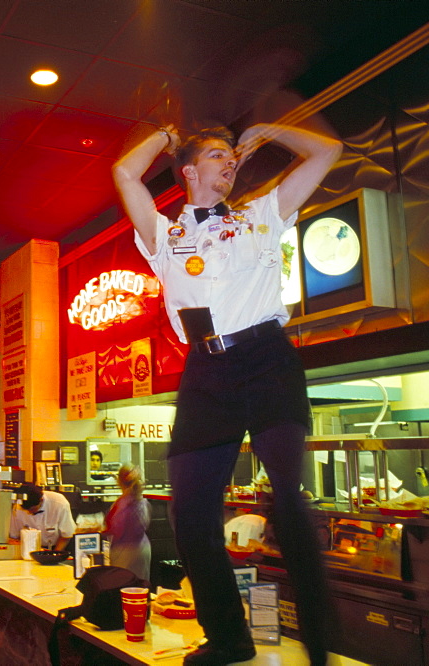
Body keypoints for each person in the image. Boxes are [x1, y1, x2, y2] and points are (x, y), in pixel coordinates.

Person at [112, 120, 341, 666]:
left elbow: (328, 150)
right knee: (189, 515)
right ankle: (229, 638)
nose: (230, 162)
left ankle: (320, 643)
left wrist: (270, 131)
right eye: (217, 155)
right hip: (205, 373)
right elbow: (123, 171)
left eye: (232, 157)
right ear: (190, 171)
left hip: (267, 361)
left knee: (286, 496)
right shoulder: (163, 235)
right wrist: (167, 137)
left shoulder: (263, 213)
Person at [104, 465, 151, 581]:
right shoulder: (142, 501)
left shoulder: (122, 503)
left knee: (124, 588)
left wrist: (100, 531)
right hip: (142, 549)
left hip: (125, 552)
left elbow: (118, 530)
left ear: (118, 481)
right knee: (141, 588)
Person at [9, 483, 76, 552]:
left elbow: (66, 535)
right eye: (26, 510)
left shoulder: (59, 503)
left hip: (54, 548)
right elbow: (14, 536)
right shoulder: (18, 506)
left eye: (32, 509)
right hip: (28, 549)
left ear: (41, 500)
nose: (29, 512)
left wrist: (54, 555)